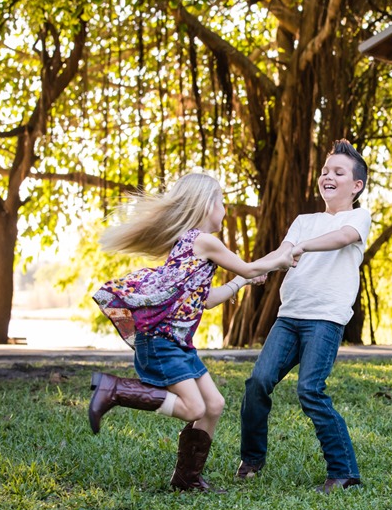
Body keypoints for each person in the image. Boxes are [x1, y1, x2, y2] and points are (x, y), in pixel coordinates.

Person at [88, 172, 293, 493]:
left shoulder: (187, 244)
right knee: (194, 408)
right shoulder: (204, 241)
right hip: (162, 341)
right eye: (222, 201)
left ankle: (187, 478)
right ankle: (115, 390)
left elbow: (206, 300)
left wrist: (240, 282)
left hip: (177, 344)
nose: (225, 208)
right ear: (207, 204)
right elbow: (251, 266)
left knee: (213, 405)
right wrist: (281, 259)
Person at [237, 139, 371, 493]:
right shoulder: (303, 221)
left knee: (310, 390)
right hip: (289, 318)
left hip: (325, 320)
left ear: (356, 185)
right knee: (257, 383)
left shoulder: (357, 217)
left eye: (338, 172)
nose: (328, 176)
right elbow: (282, 253)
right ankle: (251, 460)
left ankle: (344, 472)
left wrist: (302, 247)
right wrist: (252, 270)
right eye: (325, 171)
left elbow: (342, 238)